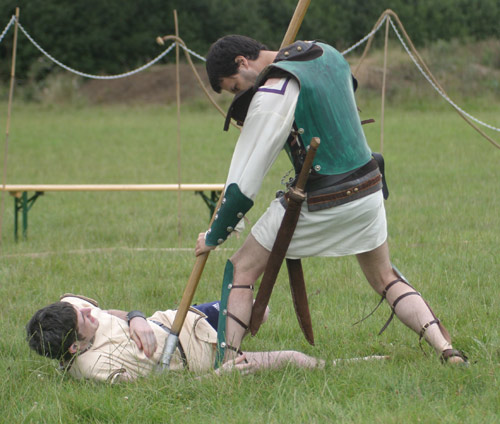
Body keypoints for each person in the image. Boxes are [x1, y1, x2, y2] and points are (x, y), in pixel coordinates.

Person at [195, 35, 467, 365]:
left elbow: (245, 179)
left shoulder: (274, 90)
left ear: (242, 62)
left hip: (321, 198)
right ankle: (446, 348)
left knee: (241, 269)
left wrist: (215, 234)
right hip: (368, 187)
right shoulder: (329, 54)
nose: (242, 94)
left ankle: (229, 364)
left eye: (236, 87)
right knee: (385, 277)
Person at [27, 293, 383, 383]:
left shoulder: (69, 309)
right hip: (200, 357)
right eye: (85, 320)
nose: (90, 314)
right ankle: (353, 364)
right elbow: (158, 392)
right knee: (292, 358)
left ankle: (238, 331)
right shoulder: (98, 369)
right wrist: (218, 377)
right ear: (74, 347)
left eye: (83, 311)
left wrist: (135, 318)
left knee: (257, 310)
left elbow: (106, 311)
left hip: (181, 320)